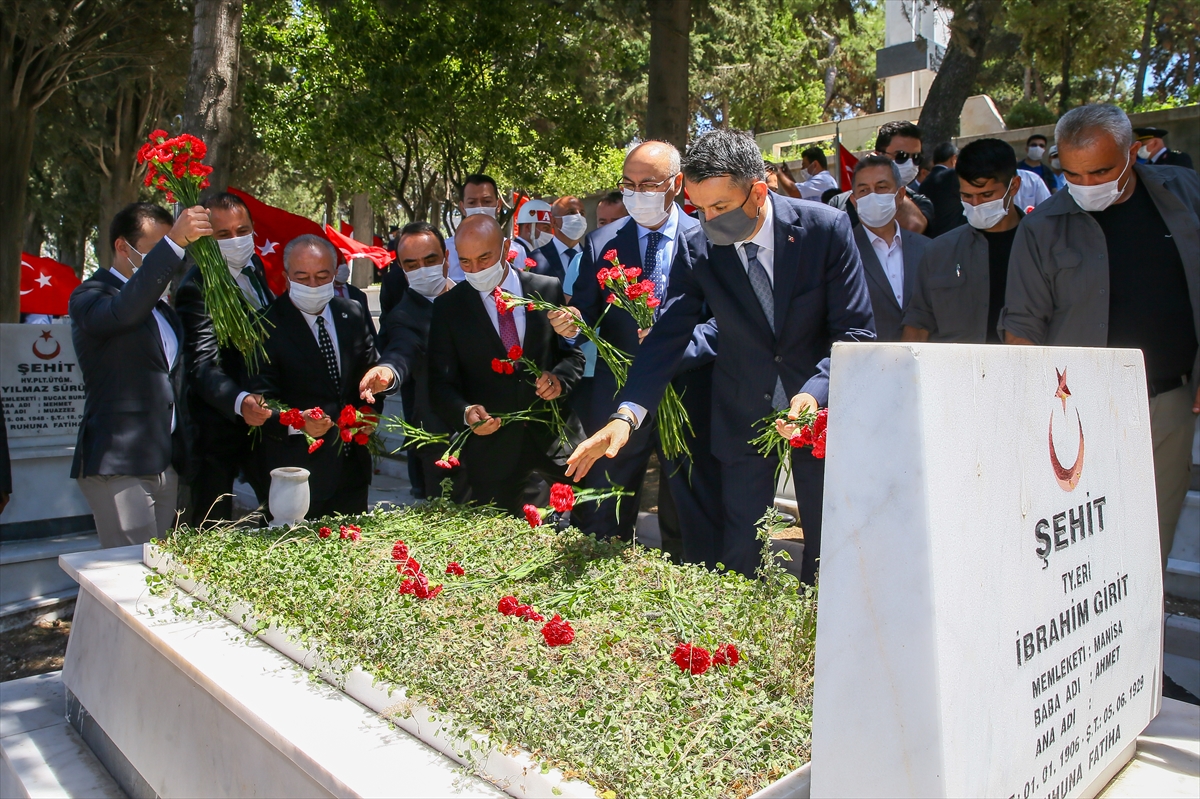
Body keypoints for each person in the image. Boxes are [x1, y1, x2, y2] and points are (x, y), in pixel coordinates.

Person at [566, 129, 876, 584]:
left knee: (828, 542)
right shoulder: (701, 246)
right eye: (699, 209)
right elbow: (669, 336)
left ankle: (820, 637)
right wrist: (626, 415)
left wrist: (813, 394)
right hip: (741, 412)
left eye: (721, 208)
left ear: (757, 191)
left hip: (818, 412)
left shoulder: (823, 230)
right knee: (737, 547)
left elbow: (854, 333)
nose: (709, 220)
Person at [1001, 104, 1200, 572]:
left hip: (1168, 402)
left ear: (1133, 153)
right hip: (1081, 417)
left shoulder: (1184, 195)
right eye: (1073, 174)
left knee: (1151, 550)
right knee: (1089, 556)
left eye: (1102, 171)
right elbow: (1022, 331)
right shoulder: (1041, 228)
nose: (1088, 186)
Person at [551, 140, 723, 565]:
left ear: (676, 184)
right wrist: (571, 319)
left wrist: (676, 343)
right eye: (629, 184)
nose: (636, 193)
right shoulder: (602, 242)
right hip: (617, 398)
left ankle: (689, 596)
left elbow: (724, 320)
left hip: (690, 392)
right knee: (603, 514)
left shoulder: (710, 238)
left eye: (648, 184)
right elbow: (586, 310)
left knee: (687, 512)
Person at [70, 202, 209, 547]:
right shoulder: (91, 296)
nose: (168, 259)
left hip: (163, 460)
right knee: (128, 573)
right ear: (122, 246)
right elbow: (123, 312)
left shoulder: (163, 310)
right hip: (119, 461)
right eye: (156, 248)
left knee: (155, 575)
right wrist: (174, 244)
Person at [427, 215, 585, 516]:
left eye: (484, 258)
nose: (475, 270)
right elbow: (439, 383)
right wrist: (465, 412)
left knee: (590, 526)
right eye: (466, 262)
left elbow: (572, 355)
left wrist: (559, 380)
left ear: (505, 247)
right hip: (493, 454)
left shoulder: (546, 289)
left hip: (557, 440)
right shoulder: (450, 308)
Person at [248, 235, 398, 518]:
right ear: (286, 277)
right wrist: (297, 422)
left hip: (351, 468)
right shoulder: (264, 324)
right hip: (295, 472)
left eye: (322, 276)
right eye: (302, 277)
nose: (313, 285)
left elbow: (370, 374)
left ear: (335, 276)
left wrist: (370, 411)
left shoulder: (352, 313)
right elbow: (259, 397)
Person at [177, 192, 276, 524]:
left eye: (242, 230)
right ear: (206, 239)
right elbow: (202, 365)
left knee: (280, 517)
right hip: (217, 428)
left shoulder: (256, 268)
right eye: (223, 235)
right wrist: (240, 400)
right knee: (211, 527)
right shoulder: (197, 287)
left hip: (265, 424)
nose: (236, 240)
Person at [903, 138, 1025, 343]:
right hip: (955, 371)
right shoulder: (939, 252)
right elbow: (918, 323)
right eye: (967, 196)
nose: (976, 204)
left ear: (1013, 186)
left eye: (986, 195)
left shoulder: (1042, 246)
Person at [376, 222, 460, 499]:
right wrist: (388, 370)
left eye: (430, 260)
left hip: (492, 436)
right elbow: (401, 350)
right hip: (439, 441)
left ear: (446, 257)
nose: (422, 269)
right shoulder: (403, 315)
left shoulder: (472, 297)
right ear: (401, 268)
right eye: (411, 264)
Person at [849, 155, 929, 341]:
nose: (873, 195)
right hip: (867, 363)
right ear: (854, 201)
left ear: (900, 195)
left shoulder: (927, 249)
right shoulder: (841, 252)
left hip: (924, 362)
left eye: (881, 187)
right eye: (864, 190)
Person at [829, 121, 934, 234]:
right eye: (901, 156)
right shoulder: (840, 203)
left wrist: (889, 181)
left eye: (916, 157)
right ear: (878, 156)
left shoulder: (920, 202)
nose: (910, 163)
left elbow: (915, 226)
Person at [446, 175, 525, 282]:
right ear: (462, 207)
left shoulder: (517, 250)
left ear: (498, 206)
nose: (479, 207)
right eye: (472, 202)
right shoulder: (446, 249)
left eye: (486, 201)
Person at [529, 195, 586, 282]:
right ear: (553, 221)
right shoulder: (536, 259)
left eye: (581, 213)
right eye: (571, 213)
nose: (578, 217)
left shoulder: (592, 258)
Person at [920, 142, 966, 237]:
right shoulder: (954, 176)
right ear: (953, 159)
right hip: (955, 237)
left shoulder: (924, 183)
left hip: (931, 238)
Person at [333, 257, 377, 338]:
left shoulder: (358, 294)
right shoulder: (325, 294)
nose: (343, 267)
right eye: (339, 263)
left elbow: (368, 324)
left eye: (344, 263)